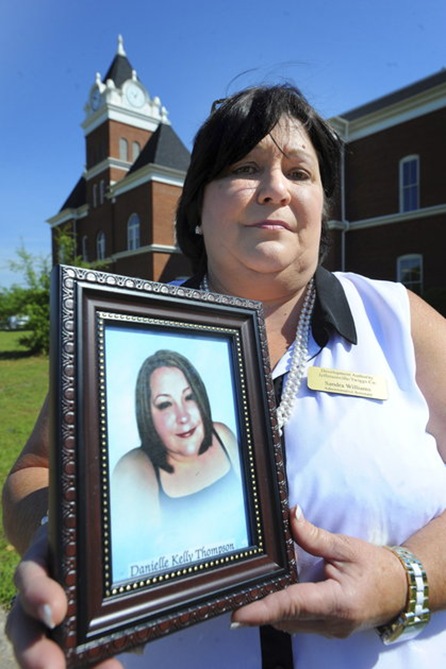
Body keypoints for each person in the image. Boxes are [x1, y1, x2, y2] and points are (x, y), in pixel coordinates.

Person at [3, 82, 446, 669]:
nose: (276, 190)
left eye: (300, 172)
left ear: (323, 206)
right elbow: (32, 474)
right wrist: (64, 536)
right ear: (197, 207)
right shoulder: (121, 332)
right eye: (245, 167)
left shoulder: (396, 320)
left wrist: (404, 579)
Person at [111, 349, 249, 584]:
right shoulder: (135, 471)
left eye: (189, 397)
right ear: (147, 414)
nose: (183, 416)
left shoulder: (222, 435)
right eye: (165, 404)